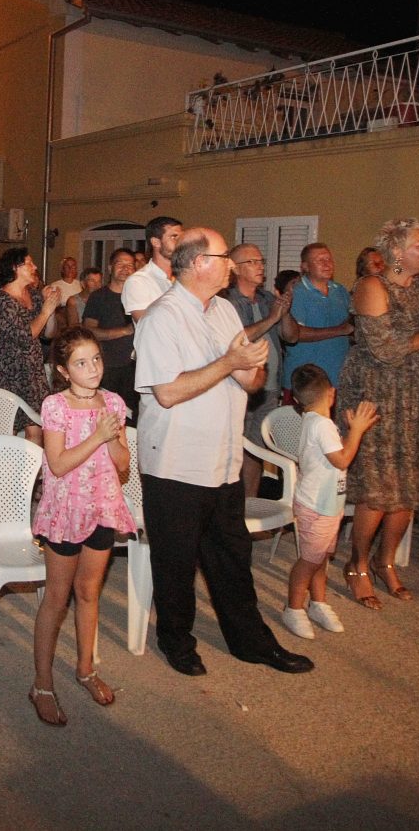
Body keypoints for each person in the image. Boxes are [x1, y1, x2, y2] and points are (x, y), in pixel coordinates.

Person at [135, 227, 309, 677]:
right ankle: (176, 641)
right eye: (223, 256)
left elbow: (251, 378)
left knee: (232, 559)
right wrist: (230, 363)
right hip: (176, 464)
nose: (232, 264)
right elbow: (168, 392)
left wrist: (248, 370)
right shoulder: (161, 318)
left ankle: (251, 642)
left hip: (224, 460)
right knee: (176, 563)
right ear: (198, 263)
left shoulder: (226, 310)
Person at [336, 219, 419, 609]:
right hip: (376, 395)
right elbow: (386, 349)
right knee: (378, 490)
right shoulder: (371, 287)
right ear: (396, 251)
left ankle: (385, 561)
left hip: (414, 394)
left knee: (407, 487)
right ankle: (358, 564)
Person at [28, 327, 134, 726]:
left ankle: (85, 668)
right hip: (66, 511)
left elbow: (122, 464)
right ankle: (41, 684)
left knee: (89, 592)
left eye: (96, 360)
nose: (92, 369)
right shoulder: (55, 405)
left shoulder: (114, 401)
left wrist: (112, 437)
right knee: (56, 598)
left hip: (102, 507)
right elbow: (57, 464)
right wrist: (97, 435)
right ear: (63, 370)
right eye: (81, 363)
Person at [280, 364, 377, 641]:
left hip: (325, 503)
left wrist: (349, 432)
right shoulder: (322, 425)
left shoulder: (315, 421)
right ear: (332, 393)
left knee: (320, 558)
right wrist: (357, 430)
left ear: (297, 399)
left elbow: (334, 453)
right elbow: (343, 460)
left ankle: (318, 602)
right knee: (309, 562)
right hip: (317, 506)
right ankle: (293, 607)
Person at [225, 242, 296, 495]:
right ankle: (232, 506)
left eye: (261, 261)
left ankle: (250, 505)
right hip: (240, 387)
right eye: (252, 262)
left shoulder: (268, 299)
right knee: (233, 450)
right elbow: (237, 339)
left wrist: (284, 312)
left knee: (257, 451)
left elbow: (291, 336)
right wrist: (272, 318)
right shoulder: (227, 302)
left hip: (269, 387)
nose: (260, 266)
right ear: (235, 269)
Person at [0, 247, 62, 442]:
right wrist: (45, 311)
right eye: (29, 263)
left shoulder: (34, 295)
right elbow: (24, 337)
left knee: (36, 431)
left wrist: (50, 307)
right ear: (15, 267)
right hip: (9, 373)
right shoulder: (3, 301)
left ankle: (33, 464)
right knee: (6, 433)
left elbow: (48, 334)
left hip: (33, 373)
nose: (35, 267)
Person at [281, 242, 354, 389]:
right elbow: (296, 334)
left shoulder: (340, 291)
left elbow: (351, 324)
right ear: (305, 266)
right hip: (305, 383)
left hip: (338, 378)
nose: (327, 264)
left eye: (329, 259)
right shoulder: (296, 293)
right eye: (320, 260)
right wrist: (340, 330)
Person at [83, 249, 138, 420]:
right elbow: (89, 330)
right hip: (108, 368)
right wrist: (124, 330)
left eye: (130, 265)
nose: (125, 268)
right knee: (107, 417)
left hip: (136, 369)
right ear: (110, 268)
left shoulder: (140, 297)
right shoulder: (98, 297)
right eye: (120, 264)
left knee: (133, 419)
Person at [122, 216, 181, 328]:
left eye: (181, 237)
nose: (181, 242)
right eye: (174, 237)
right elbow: (149, 326)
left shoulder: (183, 278)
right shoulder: (138, 281)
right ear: (156, 242)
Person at [44, 256, 84, 338]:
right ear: (62, 269)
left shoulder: (80, 285)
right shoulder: (55, 286)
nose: (70, 268)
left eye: (73, 266)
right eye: (67, 266)